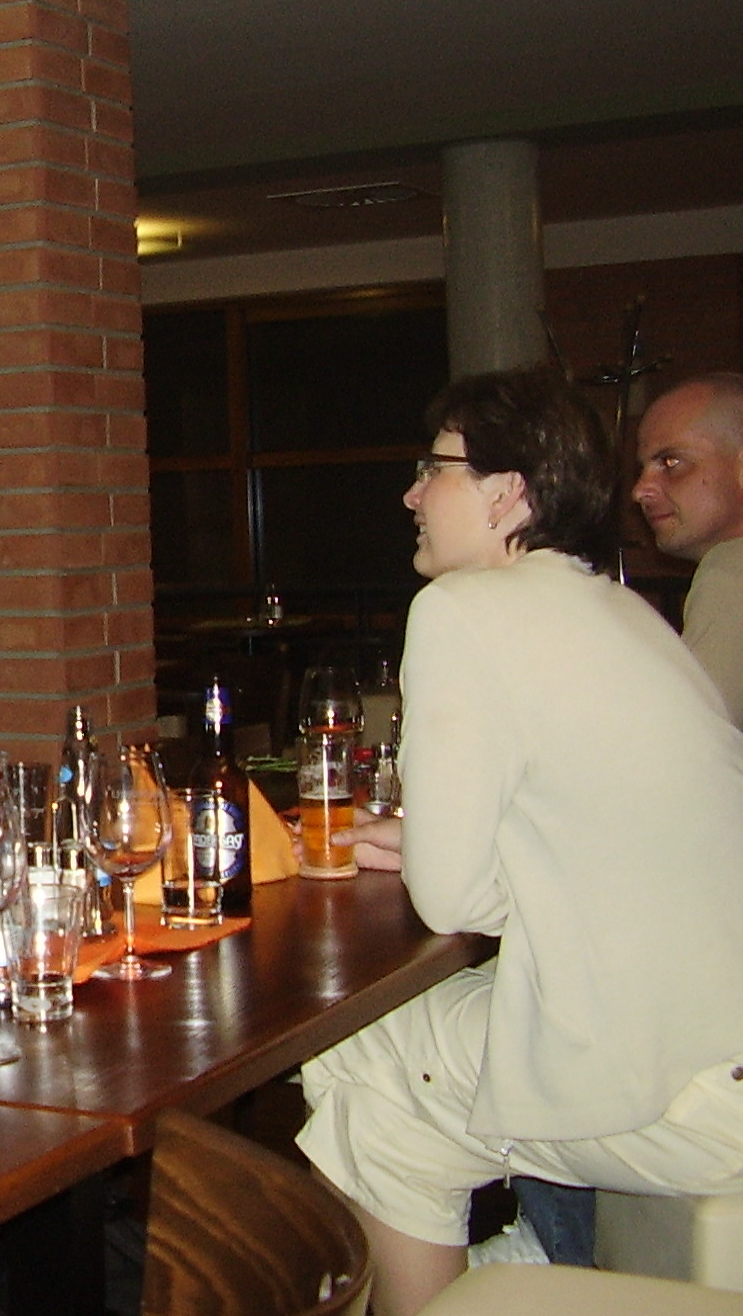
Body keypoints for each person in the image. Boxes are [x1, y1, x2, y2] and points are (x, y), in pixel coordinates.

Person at [298, 368, 743, 1316]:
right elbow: (606, 834)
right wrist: (438, 843)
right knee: (403, 1057)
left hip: (696, 1088)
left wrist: (437, 856)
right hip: (719, 1032)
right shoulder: (622, 609)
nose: (412, 494)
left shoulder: (461, 609)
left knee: (359, 1056)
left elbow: (452, 900)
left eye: (434, 469)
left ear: (507, 493)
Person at [635, 373, 743, 727]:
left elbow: (689, 737)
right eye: (643, 468)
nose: (640, 490)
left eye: (671, 463)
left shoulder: (732, 569)